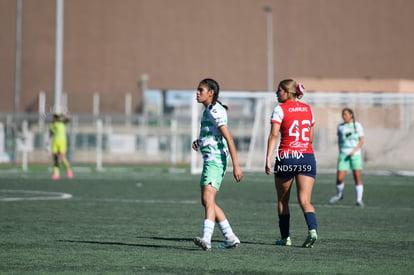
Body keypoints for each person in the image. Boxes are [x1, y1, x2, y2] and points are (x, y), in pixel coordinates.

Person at [265, 79, 318, 248]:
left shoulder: (280, 109)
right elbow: (310, 138)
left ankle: (285, 237)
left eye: (279, 90)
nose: (276, 93)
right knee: (305, 200)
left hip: (287, 157)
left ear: (287, 93)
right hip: (306, 157)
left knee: (283, 201)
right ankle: (313, 231)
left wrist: (268, 158)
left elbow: (274, 135)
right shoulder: (308, 109)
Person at [192, 78, 243, 251]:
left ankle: (206, 239)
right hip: (210, 159)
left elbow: (228, 137)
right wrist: (200, 141)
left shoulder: (215, 111)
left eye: (201, 90)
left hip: (215, 160)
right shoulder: (208, 110)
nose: (197, 93)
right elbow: (213, 134)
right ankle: (230, 237)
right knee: (207, 201)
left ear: (210, 93)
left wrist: (236, 165)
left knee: (208, 199)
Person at [329, 108, 365, 207]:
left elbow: (361, 140)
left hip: (355, 155)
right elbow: (340, 140)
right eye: (343, 114)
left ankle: (359, 199)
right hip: (344, 155)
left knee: (357, 177)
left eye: (345, 114)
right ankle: (339, 195)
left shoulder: (357, 126)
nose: (344, 116)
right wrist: (342, 151)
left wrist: (354, 151)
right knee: (339, 178)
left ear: (351, 115)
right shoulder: (340, 127)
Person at [49, 113, 73, 179]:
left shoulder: (62, 122)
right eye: (55, 116)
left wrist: (63, 114)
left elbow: (69, 118)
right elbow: (50, 133)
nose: (56, 118)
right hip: (55, 142)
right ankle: (56, 174)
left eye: (58, 116)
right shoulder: (51, 124)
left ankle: (69, 170)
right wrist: (48, 141)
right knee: (55, 158)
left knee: (62, 158)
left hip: (62, 142)